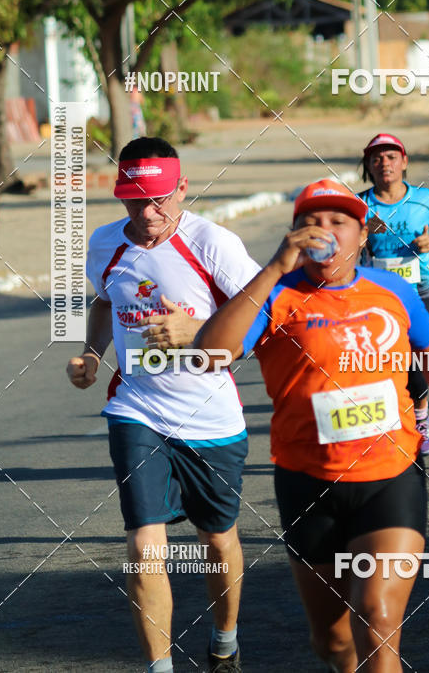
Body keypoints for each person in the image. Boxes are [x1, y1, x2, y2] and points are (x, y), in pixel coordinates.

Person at [195, 179, 429, 672]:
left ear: (362, 234)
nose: (323, 230)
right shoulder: (275, 295)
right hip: (308, 481)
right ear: (292, 233)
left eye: (338, 221)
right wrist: (274, 268)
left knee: (379, 616)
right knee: (333, 642)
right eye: (310, 221)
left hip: (390, 475)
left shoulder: (392, 290)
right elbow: (208, 353)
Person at [66, 137, 260, 673]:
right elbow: (107, 299)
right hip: (137, 408)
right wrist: (90, 353)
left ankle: (225, 641)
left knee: (217, 541)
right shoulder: (106, 243)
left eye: (159, 200)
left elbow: (262, 320)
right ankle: (160, 668)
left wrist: (198, 331)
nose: (148, 213)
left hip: (211, 416)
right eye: (134, 201)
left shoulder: (212, 243)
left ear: (181, 190)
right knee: (143, 542)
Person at [357, 134, 429, 456]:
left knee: (417, 356)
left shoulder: (425, 199)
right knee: (380, 359)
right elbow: (343, 245)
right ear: (368, 166)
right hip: (374, 292)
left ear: (404, 162)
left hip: (417, 290)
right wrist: (364, 233)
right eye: (377, 159)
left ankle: (421, 417)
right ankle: (387, 420)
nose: (385, 163)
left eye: (391, 157)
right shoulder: (360, 206)